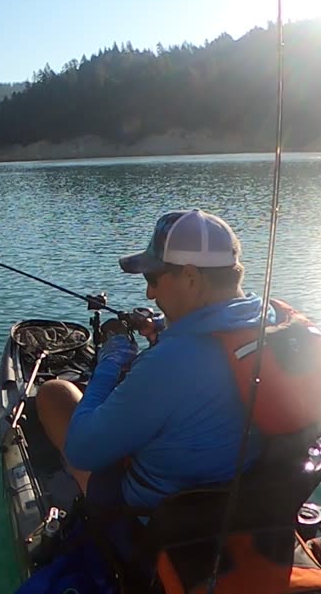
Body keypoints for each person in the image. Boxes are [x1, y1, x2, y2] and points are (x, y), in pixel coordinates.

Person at [36, 208, 271, 510]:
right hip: (241, 495)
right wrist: (160, 325)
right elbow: (215, 327)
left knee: (54, 394)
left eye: (153, 278)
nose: (148, 293)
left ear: (190, 277)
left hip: (163, 514)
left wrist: (111, 359)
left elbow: (81, 451)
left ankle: (90, 504)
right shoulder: (269, 320)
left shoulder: (168, 365)